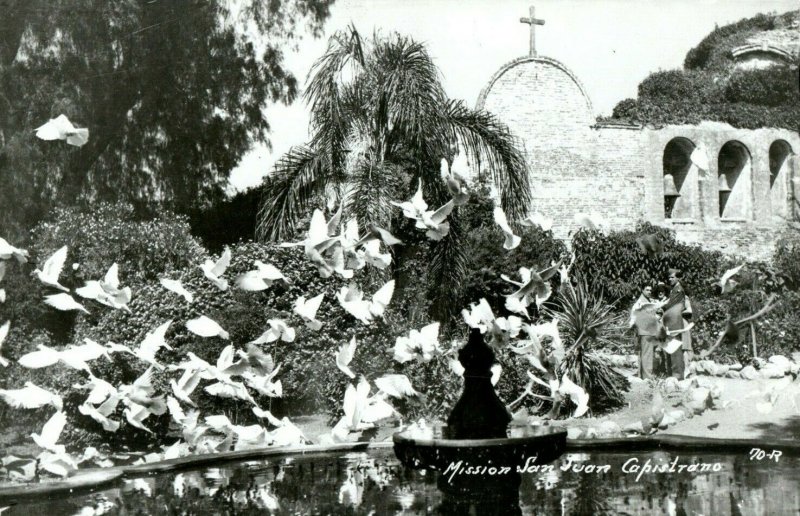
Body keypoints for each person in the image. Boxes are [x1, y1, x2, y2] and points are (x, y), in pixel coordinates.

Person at [629, 284, 666, 380]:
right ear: (642, 290)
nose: (649, 292)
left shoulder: (647, 301)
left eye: (650, 290)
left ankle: (643, 375)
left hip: (647, 330)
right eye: (647, 290)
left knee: (645, 353)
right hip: (646, 331)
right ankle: (648, 377)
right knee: (647, 354)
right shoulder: (641, 302)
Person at [662, 268, 693, 379]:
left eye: (672, 277)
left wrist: (660, 306)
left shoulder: (678, 290)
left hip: (675, 321)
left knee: (675, 349)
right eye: (669, 277)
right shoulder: (674, 289)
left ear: (678, 278)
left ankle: (677, 375)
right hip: (673, 321)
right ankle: (673, 374)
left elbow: (670, 306)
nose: (670, 279)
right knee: (672, 347)